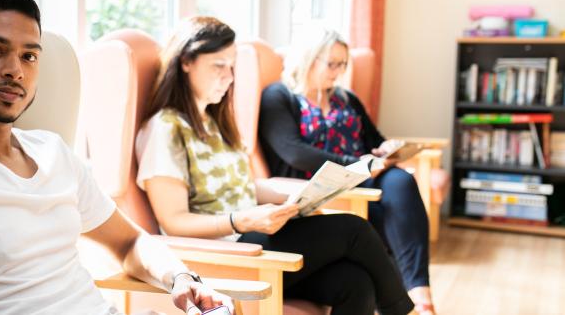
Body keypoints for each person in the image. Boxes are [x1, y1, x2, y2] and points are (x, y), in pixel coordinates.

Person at [0, 0, 232, 315]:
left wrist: (182, 279)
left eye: (29, 56)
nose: (15, 70)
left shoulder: (52, 151)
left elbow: (130, 243)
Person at [135, 16, 415, 315]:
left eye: (232, 67)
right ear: (186, 62)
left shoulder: (213, 121)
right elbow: (174, 221)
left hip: (248, 238)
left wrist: (303, 196)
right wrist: (242, 221)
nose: (228, 77)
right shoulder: (166, 128)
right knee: (353, 229)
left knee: (355, 283)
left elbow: (242, 187)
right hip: (222, 252)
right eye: (218, 66)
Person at [258, 26, 435, 315]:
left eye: (343, 64)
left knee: (401, 182)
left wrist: (386, 149)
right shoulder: (279, 96)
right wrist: (357, 167)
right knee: (372, 227)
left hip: (364, 179)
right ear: (308, 58)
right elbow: (293, 151)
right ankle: (406, 306)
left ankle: (421, 294)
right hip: (319, 185)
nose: (338, 71)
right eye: (332, 63)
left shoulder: (346, 98)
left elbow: (374, 141)